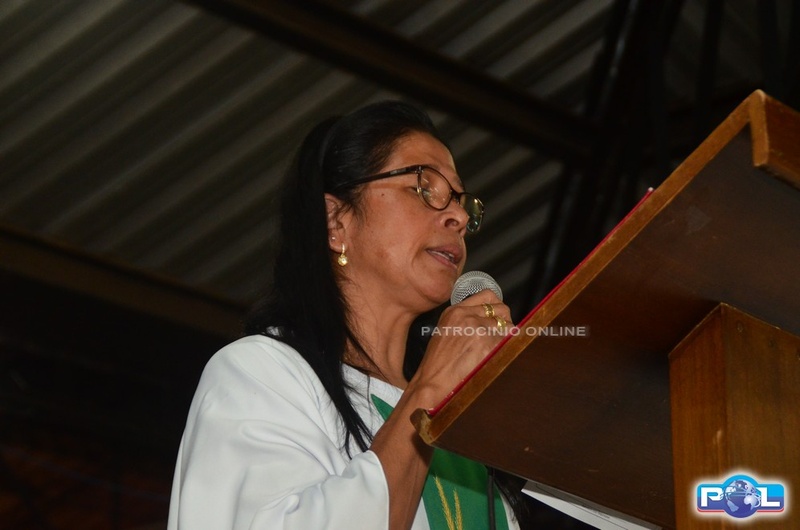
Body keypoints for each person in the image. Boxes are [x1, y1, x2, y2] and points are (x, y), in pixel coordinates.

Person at [167, 100, 524, 529]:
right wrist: (431, 386)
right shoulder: (260, 373)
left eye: (463, 202)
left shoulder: (464, 429)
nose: (460, 216)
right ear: (336, 221)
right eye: (424, 187)